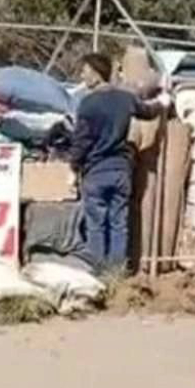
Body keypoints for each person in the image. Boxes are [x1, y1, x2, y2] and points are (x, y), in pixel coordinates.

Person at [68, 52, 171, 274]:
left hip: (95, 172)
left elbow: (81, 142)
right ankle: (116, 275)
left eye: (85, 72)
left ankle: (96, 274)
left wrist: (72, 168)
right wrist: (162, 103)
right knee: (118, 224)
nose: (82, 76)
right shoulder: (125, 99)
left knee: (96, 225)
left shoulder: (88, 104)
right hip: (121, 171)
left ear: (96, 74)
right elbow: (147, 112)